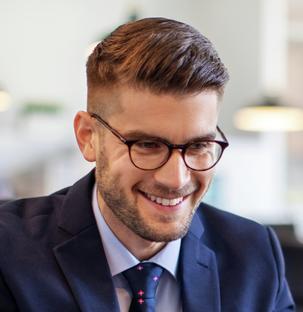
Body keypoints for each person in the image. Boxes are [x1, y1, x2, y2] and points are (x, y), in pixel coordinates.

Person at [0, 17, 294, 312]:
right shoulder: (9, 253)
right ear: (88, 137)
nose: (176, 179)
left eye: (198, 146)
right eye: (147, 145)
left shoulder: (255, 256)